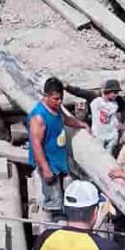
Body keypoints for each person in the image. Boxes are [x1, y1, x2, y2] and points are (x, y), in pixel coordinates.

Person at [26, 77, 90, 222]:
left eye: (61, 98)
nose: (59, 102)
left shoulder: (56, 107)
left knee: (69, 183)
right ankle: (54, 224)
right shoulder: (39, 118)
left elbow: (65, 119)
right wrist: (46, 169)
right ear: (46, 95)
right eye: (55, 99)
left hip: (59, 156)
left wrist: (81, 124)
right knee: (53, 196)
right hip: (48, 161)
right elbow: (36, 145)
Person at [87, 79, 125, 156]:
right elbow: (81, 92)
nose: (116, 94)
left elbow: (114, 118)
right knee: (98, 157)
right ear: (107, 91)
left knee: (109, 158)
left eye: (117, 92)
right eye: (114, 92)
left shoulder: (115, 104)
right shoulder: (96, 102)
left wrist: (119, 128)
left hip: (112, 136)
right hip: (98, 136)